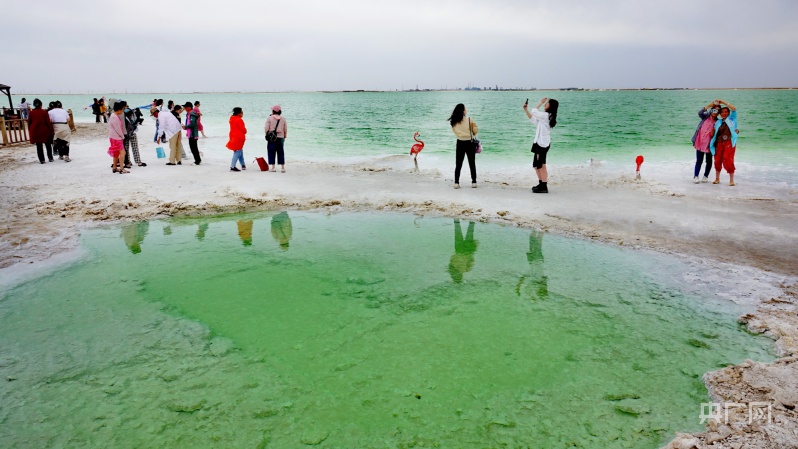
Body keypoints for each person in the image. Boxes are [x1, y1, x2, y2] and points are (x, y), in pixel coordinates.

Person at [523, 97, 559, 193]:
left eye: (547, 103)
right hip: (539, 143)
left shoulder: (546, 115)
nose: (545, 104)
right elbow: (533, 120)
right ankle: (541, 184)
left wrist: (540, 102)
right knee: (536, 165)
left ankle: (544, 186)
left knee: (542, 165)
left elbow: (534, 111)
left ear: (551, 106)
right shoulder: (546, 117)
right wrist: (526, 110)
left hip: (542, 144)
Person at [709, 100, 739, 186]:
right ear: (720, 114)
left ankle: (731, 180)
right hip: (719, 143)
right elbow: (713, 135)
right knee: (717, 160)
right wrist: (712, 132)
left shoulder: (732, 119)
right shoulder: (718, 122)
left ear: (729, 113)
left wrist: (723, 102)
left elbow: (734, 109)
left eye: (726, 112)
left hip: (729, 143)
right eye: (722, 112)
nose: (724, 113)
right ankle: (717, 179)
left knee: (728, 159)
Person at [449, 103, 478, 188]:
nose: (466, 110)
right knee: (472, 163)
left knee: (458, 164)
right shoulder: (469, 119)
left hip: (460, 142)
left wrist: (461, 135)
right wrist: (471, 133)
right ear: (463, 110)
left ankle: (456, 183)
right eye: (465, 108)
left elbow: (454, 132)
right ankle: (474, 182)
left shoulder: (453, 121)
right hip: (470, 142)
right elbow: (475, 130)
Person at [692, 100, 721, 183]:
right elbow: (700, 113)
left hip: (709, 144)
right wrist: (709, 105)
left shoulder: (718, 122)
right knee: (699, 160)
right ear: (711, 110)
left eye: (717, 111)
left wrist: (735, 131)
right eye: (714, 110)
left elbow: (722, 131)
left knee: (709, 161)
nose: (715, 112)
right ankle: (696, 176)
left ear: (718, 113)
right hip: (700, 142)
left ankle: (705, 176)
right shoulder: (705, 117)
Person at [28, 98, 54, 164]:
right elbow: (48, 122)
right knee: (48, 145)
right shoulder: (44, 112)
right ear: (41, 105)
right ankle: (50, 158)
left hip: (35, 130)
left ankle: (42, 160)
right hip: (45, 130)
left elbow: (29, 123)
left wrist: (30, 131)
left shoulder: (31, 112)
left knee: (39, 146)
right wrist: (51, 130)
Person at [265, 105, 288, 172]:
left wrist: (267, 134)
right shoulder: (283, 118)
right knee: (281, 152)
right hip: (281, 137)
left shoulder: (269, 118)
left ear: (273, 111)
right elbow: (285, 128)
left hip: (272, 137)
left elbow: (266, 128)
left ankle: (273, 167)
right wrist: (284, 136)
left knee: (271, 151)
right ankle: (282, 168)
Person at [108, 101, 128, 173]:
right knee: (123, 153)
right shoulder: (114, 117)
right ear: (119, 109)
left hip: (113, 137)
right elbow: (118, 128)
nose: (123, 111)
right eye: (122, 109)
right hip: (116, 138)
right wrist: (122, 136)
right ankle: (122, 168)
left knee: (116, 153)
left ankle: (114, 167)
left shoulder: (114, 116)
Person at [226, 107, 247, 172]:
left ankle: (243, 165)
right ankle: (232, 166)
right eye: (242, 112)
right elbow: (243, 130)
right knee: (238, 152)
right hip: (239, 137)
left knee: (239, 151)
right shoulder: (239, 120)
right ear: (239, 113)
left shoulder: (232, 118)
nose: (242, 113)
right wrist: (245, 130)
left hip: (233, 136)